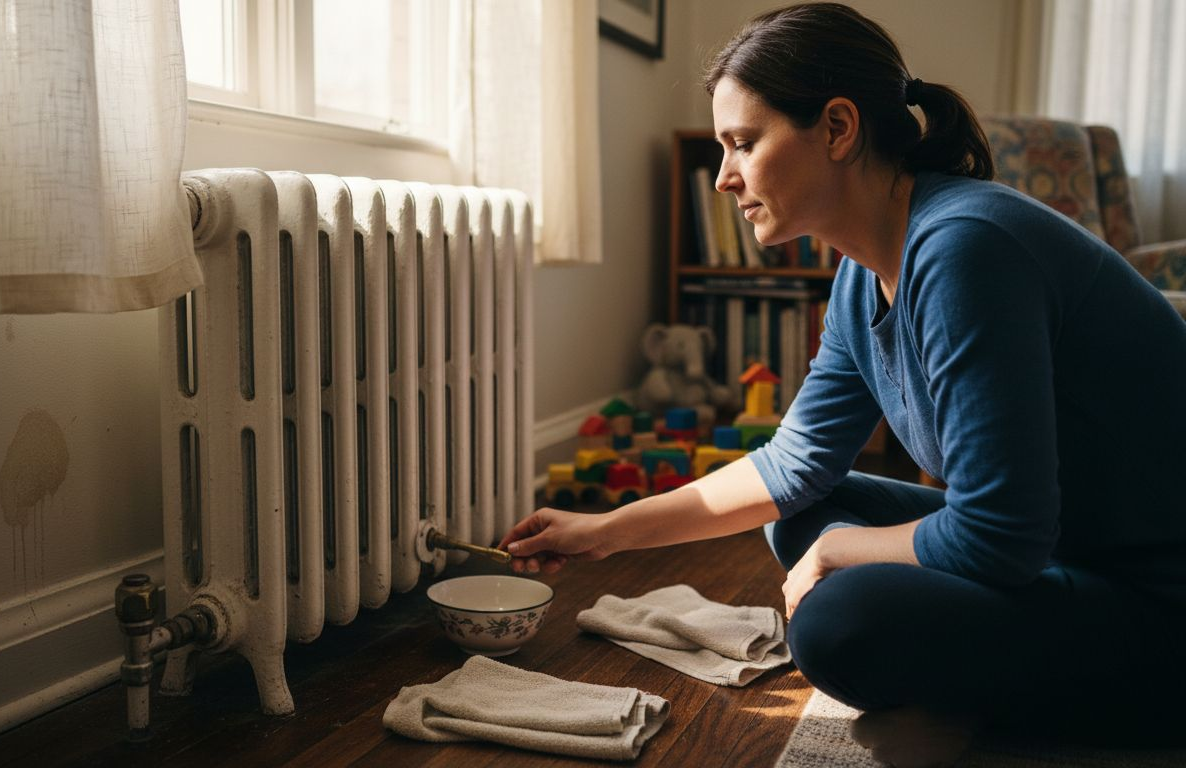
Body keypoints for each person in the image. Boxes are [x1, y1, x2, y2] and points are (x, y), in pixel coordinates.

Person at [498, 3, 1186, 764]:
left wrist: (842, 553)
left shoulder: (965, 250)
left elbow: (999, 536)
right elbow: (791, 465)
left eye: (744, 143)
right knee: (800, 513)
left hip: (1152, 595)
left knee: (836, 619)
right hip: (1061, 548)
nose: (724, 177)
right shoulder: (864, 273)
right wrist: (601, 531)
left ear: (836, 128)